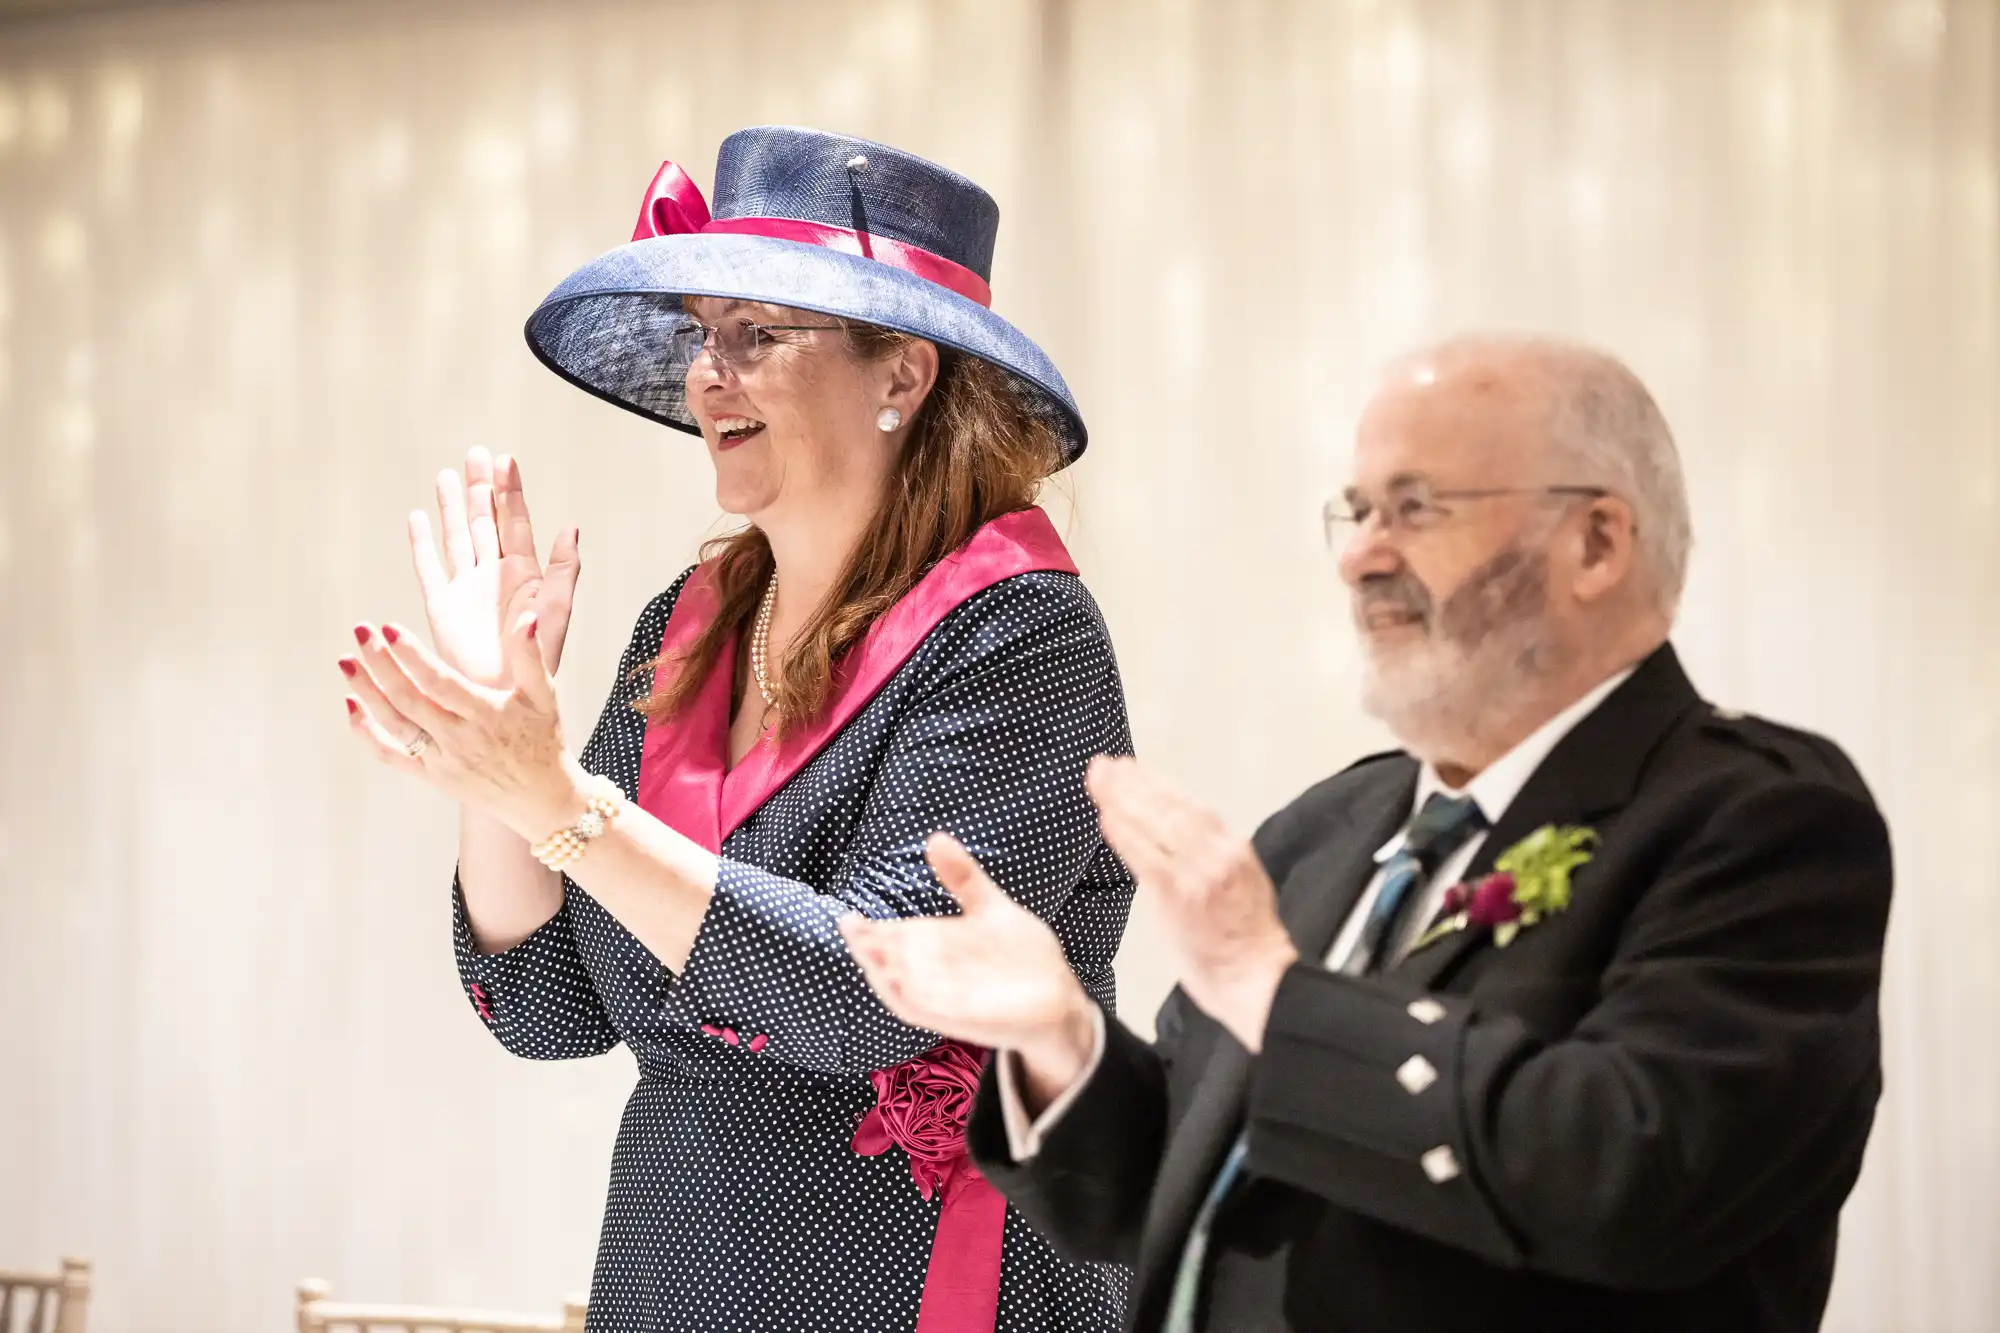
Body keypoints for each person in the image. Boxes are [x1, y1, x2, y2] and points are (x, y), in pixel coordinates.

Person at [843, 334, 1894, 1333]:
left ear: (1594, 541)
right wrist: (1055, 1040)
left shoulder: (1759, 822)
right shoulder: (1330, 826)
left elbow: (1624, 1176)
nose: (1359, 559)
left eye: (1416, 508)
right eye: (1355, 511)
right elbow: (1184, 1189)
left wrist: (1268, 982)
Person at [336, 127, 1134, 1333]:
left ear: (901, 376)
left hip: (922, 1270)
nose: (709, 373)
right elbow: (554, 1009)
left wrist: (556, 797)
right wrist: (500, 752)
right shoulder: (690, 626)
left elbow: (876, 986)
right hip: (678, 1257)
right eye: (703, 333)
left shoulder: (1020, 632)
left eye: (756, 334)